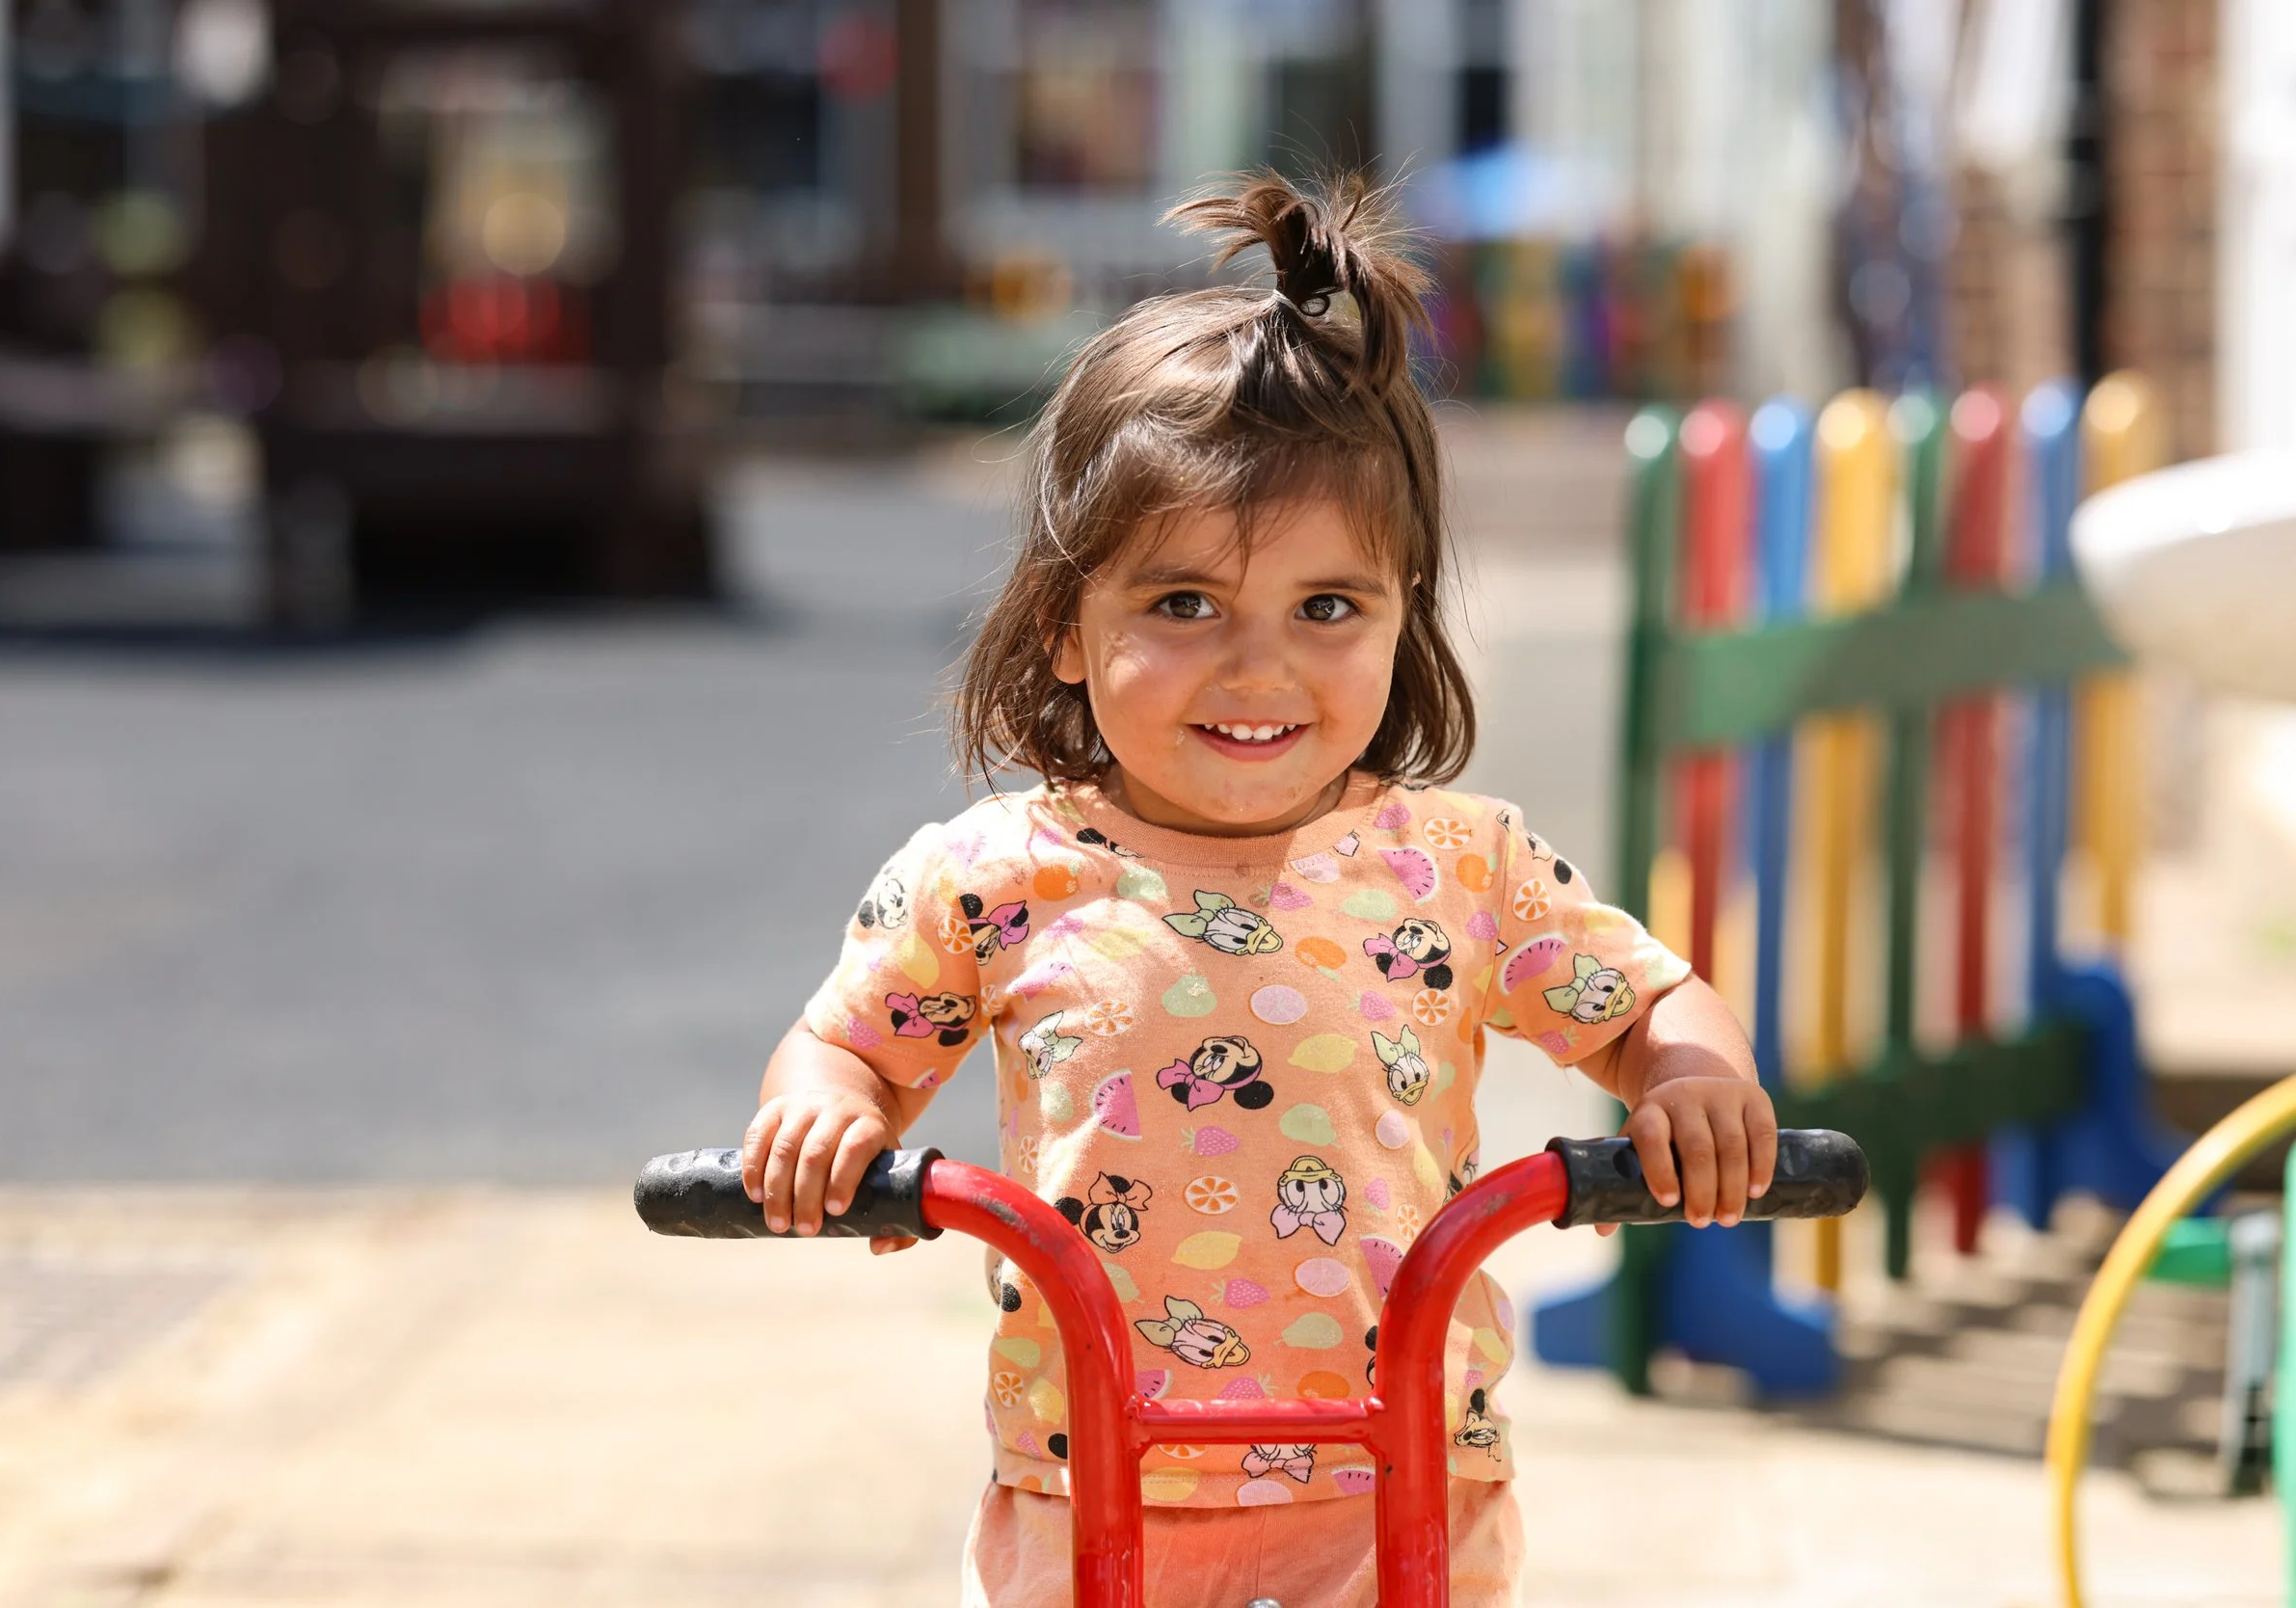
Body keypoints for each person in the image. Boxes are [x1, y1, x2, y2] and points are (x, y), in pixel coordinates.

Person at [740, 171, 1777, 1608]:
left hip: (1403, 1482)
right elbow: (853, 1038)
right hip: (1094, 1478)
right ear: (1061, 628)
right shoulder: (998, 877)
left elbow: (1646, 1003)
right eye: (1181, 605)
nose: (1257, 669)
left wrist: (1692, 1081)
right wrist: (827, 1111)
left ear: (1402, 615)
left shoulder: (1462, 868)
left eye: (1327, 609)